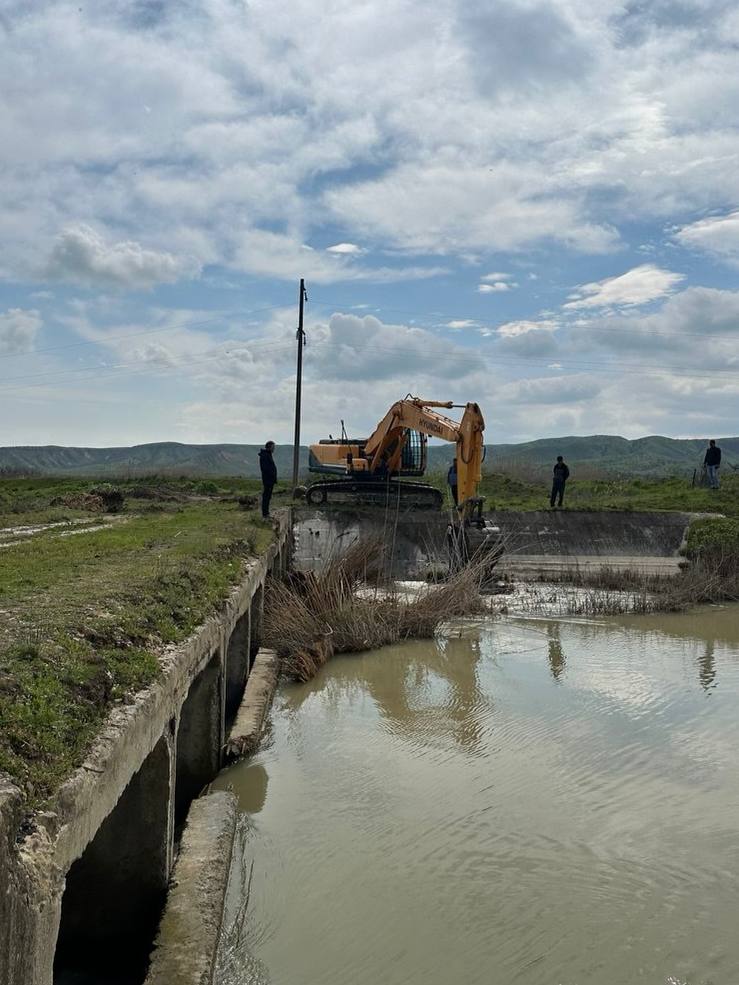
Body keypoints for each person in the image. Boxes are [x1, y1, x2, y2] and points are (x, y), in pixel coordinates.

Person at [258, 441, 277, 518]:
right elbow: (266, 468)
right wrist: (271, 475)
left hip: (270, 480)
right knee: (266, 496)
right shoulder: (265, 456)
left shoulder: (268, 455)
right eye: (273, 447)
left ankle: (266, 513)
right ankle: (265, 514)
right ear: (269, 447)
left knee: (268, 496)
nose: (274, 449)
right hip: (268, 480)